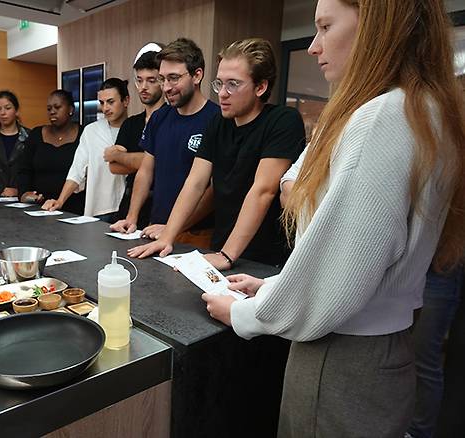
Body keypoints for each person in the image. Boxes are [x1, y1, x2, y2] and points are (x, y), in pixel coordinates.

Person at [201, 0, 465, 437]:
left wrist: (246, 314)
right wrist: (273, 286)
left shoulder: (380, 117)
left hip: (340, 358)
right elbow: (367, 263)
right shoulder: (426, 111)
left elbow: (342, 275)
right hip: (386, 352)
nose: (312, 46)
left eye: (325, 27)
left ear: (376, 27)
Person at [127, 38, 305, 268]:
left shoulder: (282, 121)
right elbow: (195, 182)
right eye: (219, 83)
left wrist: (227, 255)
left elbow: (263, 191)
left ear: (260, 87)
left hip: (265, 258)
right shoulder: (218, 123)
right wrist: (167, 237)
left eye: (233, 84)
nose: (222, 93)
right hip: (220, 246)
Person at [111, 38, 219, 243]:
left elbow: (212, 188)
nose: (166, 87)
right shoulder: (160, 117)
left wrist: (173, 228)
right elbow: (146, 170)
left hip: (197, 232)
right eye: (162, 79)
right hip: (155, 226)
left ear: (197, 75)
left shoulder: (217, 120)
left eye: (174, 78)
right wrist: (132, 217)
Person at [42, 78, 129, 221]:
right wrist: (60, 201)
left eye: (111, 102)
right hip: (100, 208)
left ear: (125, 101)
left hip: (130, 208)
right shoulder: (92, 131)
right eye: (102, 103)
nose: (105, 108)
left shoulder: (137, 128)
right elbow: (77, 170)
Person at [104, 48, 165, 227]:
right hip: (130, 201)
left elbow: (162, 162)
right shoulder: (131, 123)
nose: (143, 87)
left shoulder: (170, 119)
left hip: (160, 203)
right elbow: (114, 167)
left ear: (162, 81)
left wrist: (119, 156)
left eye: (151, 80)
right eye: (139, 80)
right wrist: (145, 161)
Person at [16, 90, 84, 215]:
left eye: (57, 107)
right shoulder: (36, 134)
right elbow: (24, 170)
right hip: (40, 207)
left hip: (75, 208)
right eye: (49, 108)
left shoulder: (84, 134)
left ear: (71, 109)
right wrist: (24, 193)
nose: (52, 111)